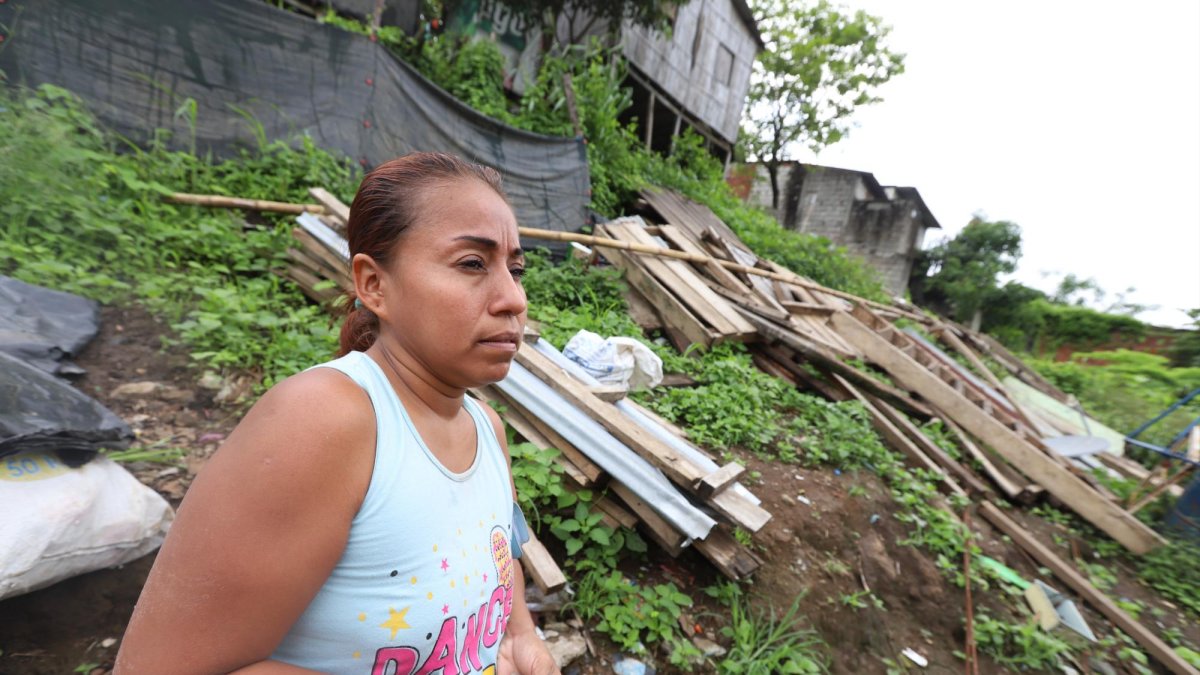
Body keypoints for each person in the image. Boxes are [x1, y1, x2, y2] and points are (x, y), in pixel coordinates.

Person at [116, 152, 559, 675]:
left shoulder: (487, 429)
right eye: (471, 264)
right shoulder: (325, 422)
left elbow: (499, 550)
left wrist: (520, 636)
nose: (512, 298)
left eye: (517, 268)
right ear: (374, 285)